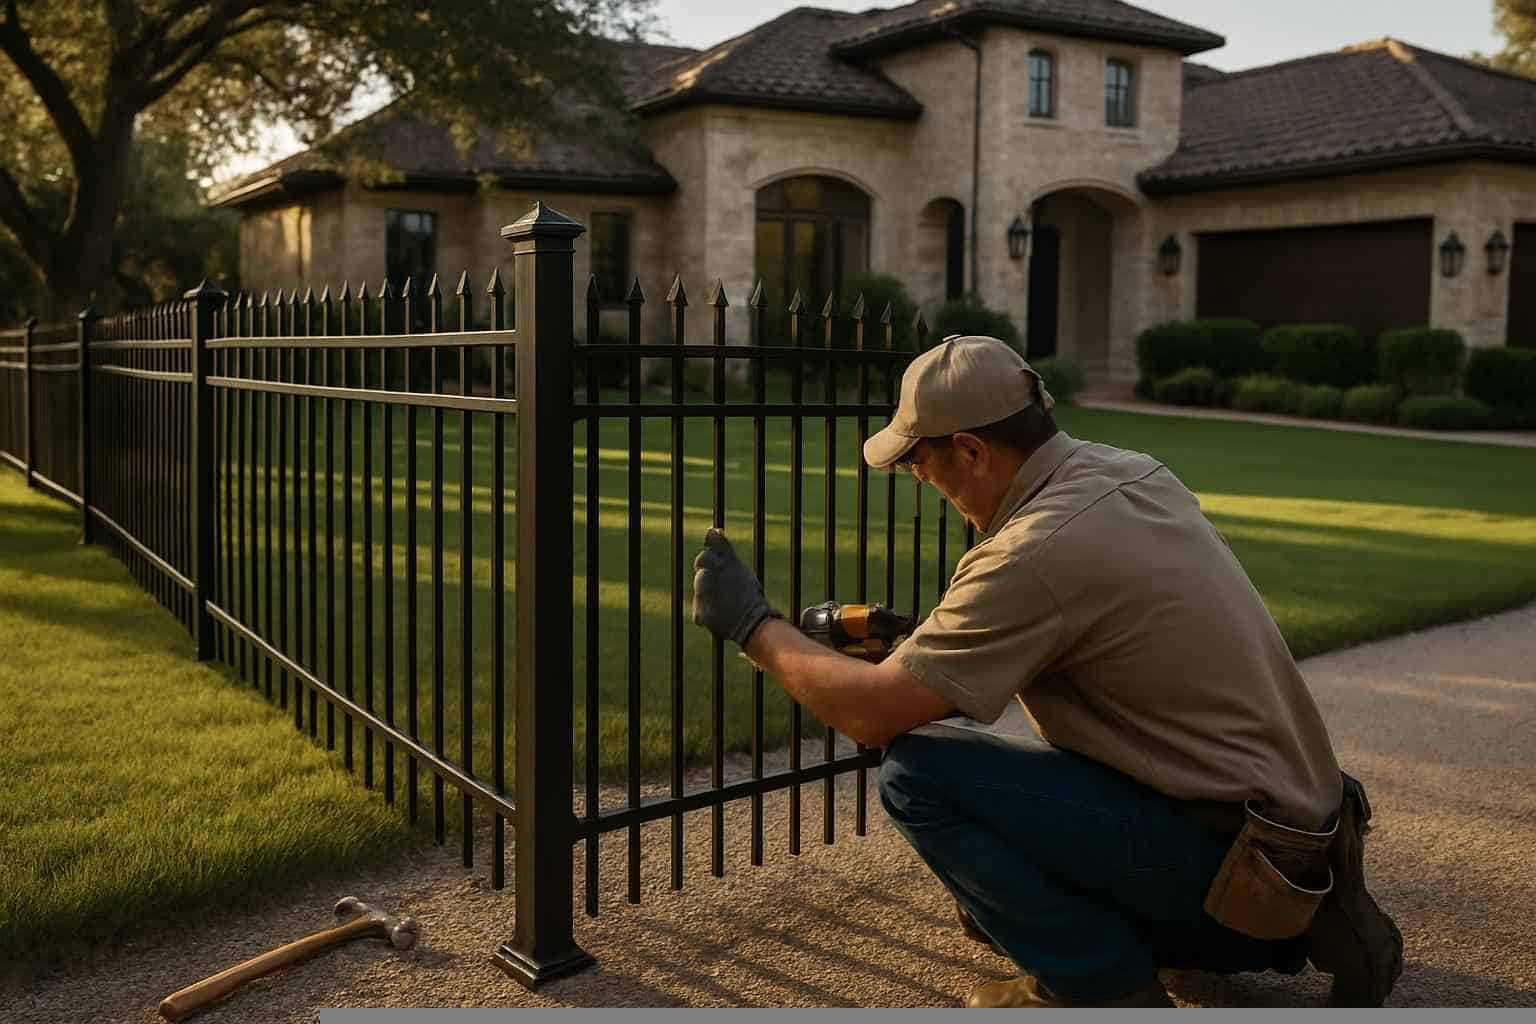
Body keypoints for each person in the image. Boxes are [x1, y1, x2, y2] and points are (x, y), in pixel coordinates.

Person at [690, 335, 1403, 1008]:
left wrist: (755, 626)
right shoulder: (1133, 473)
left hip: (1223, 870)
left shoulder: (1035, 549)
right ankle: (1317, 921)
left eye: (922, 467)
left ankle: (1100, 986)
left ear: (970, 451)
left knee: (918, 776)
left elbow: (874, 715)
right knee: (988, 904)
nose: (925, 483)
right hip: (1294, 836)